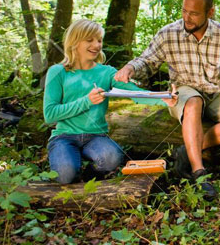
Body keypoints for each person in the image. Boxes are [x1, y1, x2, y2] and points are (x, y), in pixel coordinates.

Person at [115, 0, 220, 198]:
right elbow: (147, 61)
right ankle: (199, 172)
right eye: (184, 11)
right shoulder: (168, 34)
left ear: (210, 12)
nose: (187, 17)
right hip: (186, 92)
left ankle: (185, 151)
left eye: (194, 13)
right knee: (193, 102)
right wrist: (130, 68)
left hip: (218, 92)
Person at [44, 19, 177, 185]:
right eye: (90, 40)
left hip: (95, 137)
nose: (97, 45)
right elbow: (50, 115)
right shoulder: (58, 72)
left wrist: (163, 99)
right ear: (75, 41)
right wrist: (87, 101)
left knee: (112, 158)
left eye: (99, 40)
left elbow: (134, 93)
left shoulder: (106, 72)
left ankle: (89, 177)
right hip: (64, 137)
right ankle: (70, 169)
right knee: (65, 176)